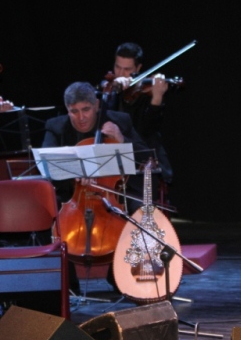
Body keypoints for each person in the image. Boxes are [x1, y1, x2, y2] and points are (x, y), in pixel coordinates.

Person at [43, 82, 149, 292]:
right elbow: (48, 168)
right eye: (74, 111)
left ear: (97, 106)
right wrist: (73, 176)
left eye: (86, 109)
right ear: (67, 110)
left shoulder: (119, 121)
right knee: (45, 209)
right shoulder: (56, 127)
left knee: (140, 209)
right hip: (72, 195)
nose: (81, 117)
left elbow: (146, 158)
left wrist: (122, 139)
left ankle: (118, 276)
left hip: (114, 192)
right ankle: (67, 285)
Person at [104, 42, 174, 185]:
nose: (120, 73)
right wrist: (112, 92)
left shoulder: (145, 92)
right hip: (113, 161)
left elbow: (146, 131)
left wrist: (156, 99)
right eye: (117, 67)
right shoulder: (111, 90)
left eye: (127, 69)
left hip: (144, 161)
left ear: (138, 68)